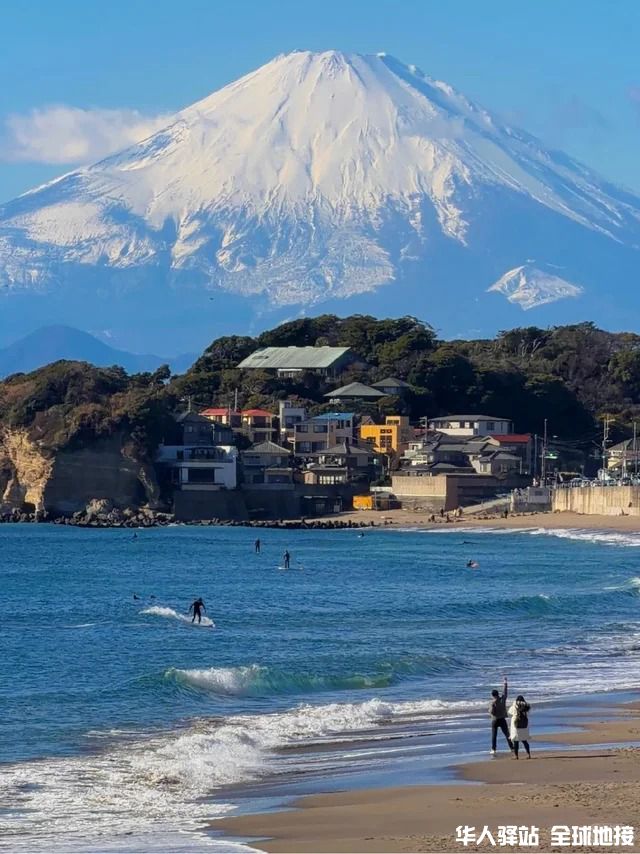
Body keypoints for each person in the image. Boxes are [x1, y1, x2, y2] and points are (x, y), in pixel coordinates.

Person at [489, 677, 514, 755]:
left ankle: (493, 749)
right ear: (498, 694)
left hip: (495, 720)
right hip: (502, 719)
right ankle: (512, 747)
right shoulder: (502, 699)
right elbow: (505, 692)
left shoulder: (493, 702)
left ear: (492, 695)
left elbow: (492, 712)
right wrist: (505, 683)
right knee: (507, 734)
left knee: (494, 735)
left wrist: (490, 711)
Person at [508, 694, 532, 759]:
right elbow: (529, 713)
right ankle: (528, 754)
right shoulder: (526, 706)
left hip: (516, 725)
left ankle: (516, 756)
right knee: (524, 740)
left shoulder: (514, 706)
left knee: (516, 741)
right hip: (524, 725)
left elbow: (509, 712)